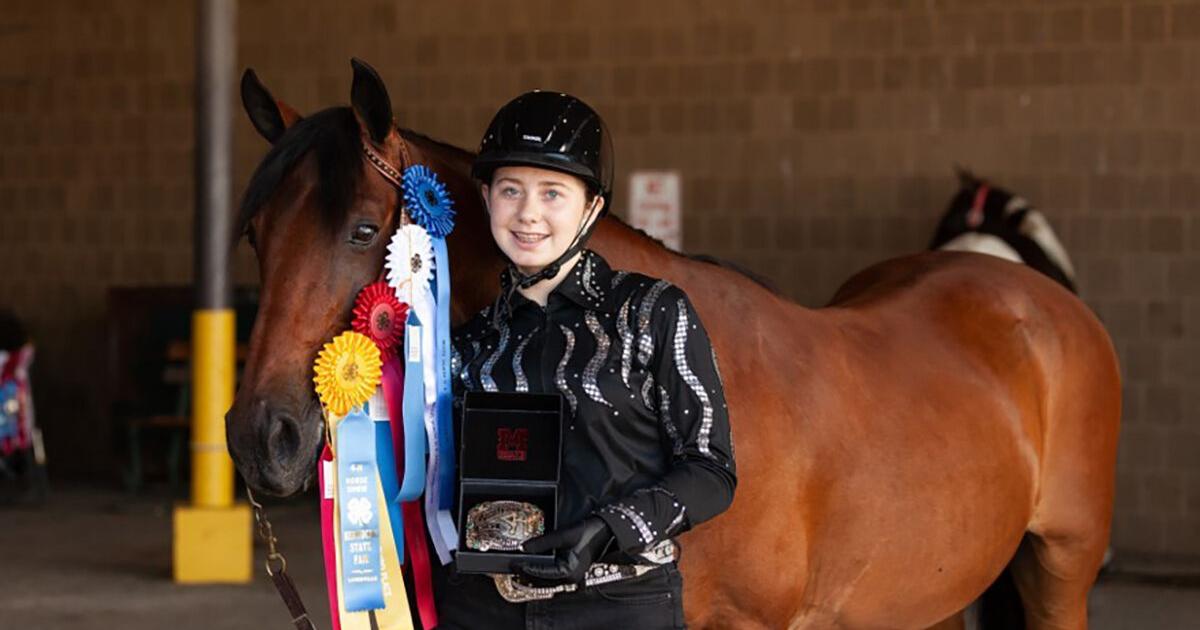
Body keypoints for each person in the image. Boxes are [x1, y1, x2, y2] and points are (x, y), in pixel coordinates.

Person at [441, 91, 736, 629]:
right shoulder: (469, 342)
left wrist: (608, 530)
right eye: (510, 190)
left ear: (593, 206)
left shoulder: (653, 312)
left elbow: (711, 470)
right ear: (486, 198)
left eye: (552, 193)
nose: (528, 213)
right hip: (480, 611)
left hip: (618, 607)